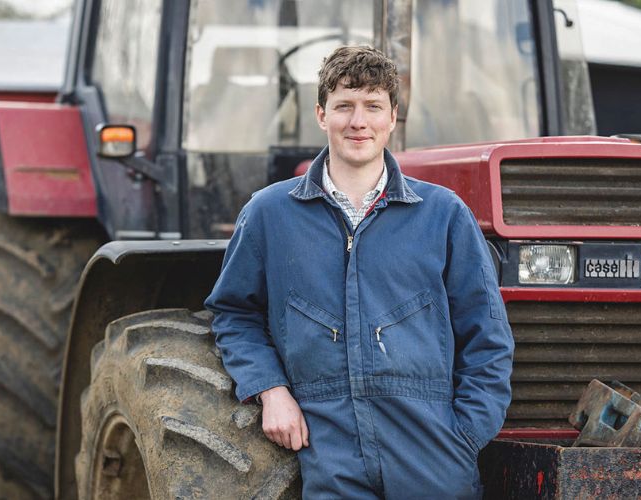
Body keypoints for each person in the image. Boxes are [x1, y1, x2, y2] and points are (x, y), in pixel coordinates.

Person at [204, 45, 514, 499]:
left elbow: (486, 334)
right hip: (326, 446)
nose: (358, 121)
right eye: (344, 106)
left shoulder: (443, 214)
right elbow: (234, 313)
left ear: (392, 118)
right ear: (321, 114)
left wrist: (465, 435)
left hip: (432, 450)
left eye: (373, 106)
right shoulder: (270, 213)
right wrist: (271, 390)